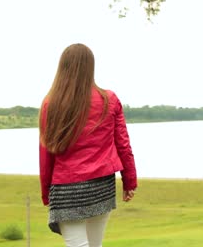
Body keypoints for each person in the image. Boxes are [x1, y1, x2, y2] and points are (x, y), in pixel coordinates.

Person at [39, 43, 137, 247]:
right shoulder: (109, 99)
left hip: (67, 190)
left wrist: (46, 191)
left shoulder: (51, 103)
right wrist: (129, 181)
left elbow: (46, 153)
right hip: (102, 186)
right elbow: (123, 145)